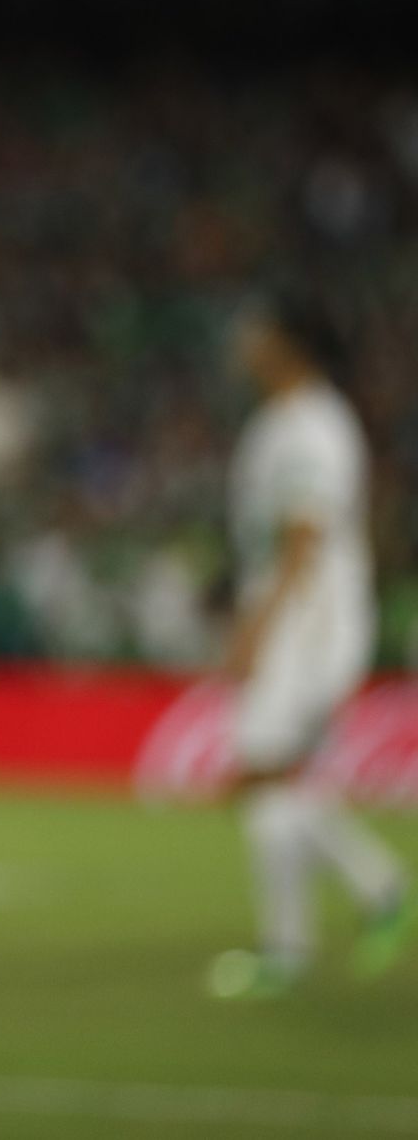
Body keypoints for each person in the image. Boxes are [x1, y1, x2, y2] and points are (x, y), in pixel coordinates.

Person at [208, 291, 411, 999]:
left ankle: (288, 948)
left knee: (263, 769)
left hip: (308, 621)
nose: (244, 339)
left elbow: (305, 538)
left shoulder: (310, 428)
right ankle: (379, 885)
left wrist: (256, 627)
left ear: (289, 342)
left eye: (257, 327)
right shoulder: (286, 421)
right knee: (277, 776)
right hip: (306, 616)